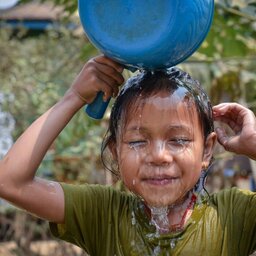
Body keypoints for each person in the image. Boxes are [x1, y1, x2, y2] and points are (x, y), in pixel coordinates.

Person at [0, 55, 255, 255]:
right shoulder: (103, 214)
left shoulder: (235, 215)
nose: (158, 156)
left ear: (207, 149)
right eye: (137, 141)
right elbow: (10, 182)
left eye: (178, 140)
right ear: (115, 151)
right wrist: (73, 98)